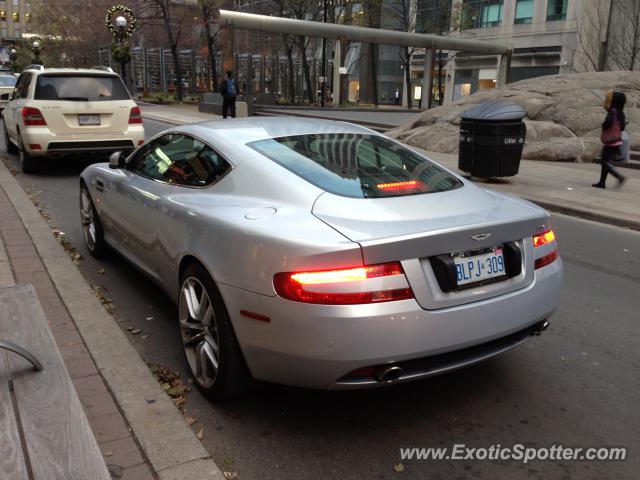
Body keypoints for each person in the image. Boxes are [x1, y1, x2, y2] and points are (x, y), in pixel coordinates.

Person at [593, 90, 627, 188]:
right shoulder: (621, 112)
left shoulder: (613, 111)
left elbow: (608, 123)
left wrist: (604, 126)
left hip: (610, 141)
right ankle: (602, 182)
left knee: (604, 162)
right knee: (605, 161)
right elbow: (622, 127)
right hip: (617, 140)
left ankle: (619, 177)